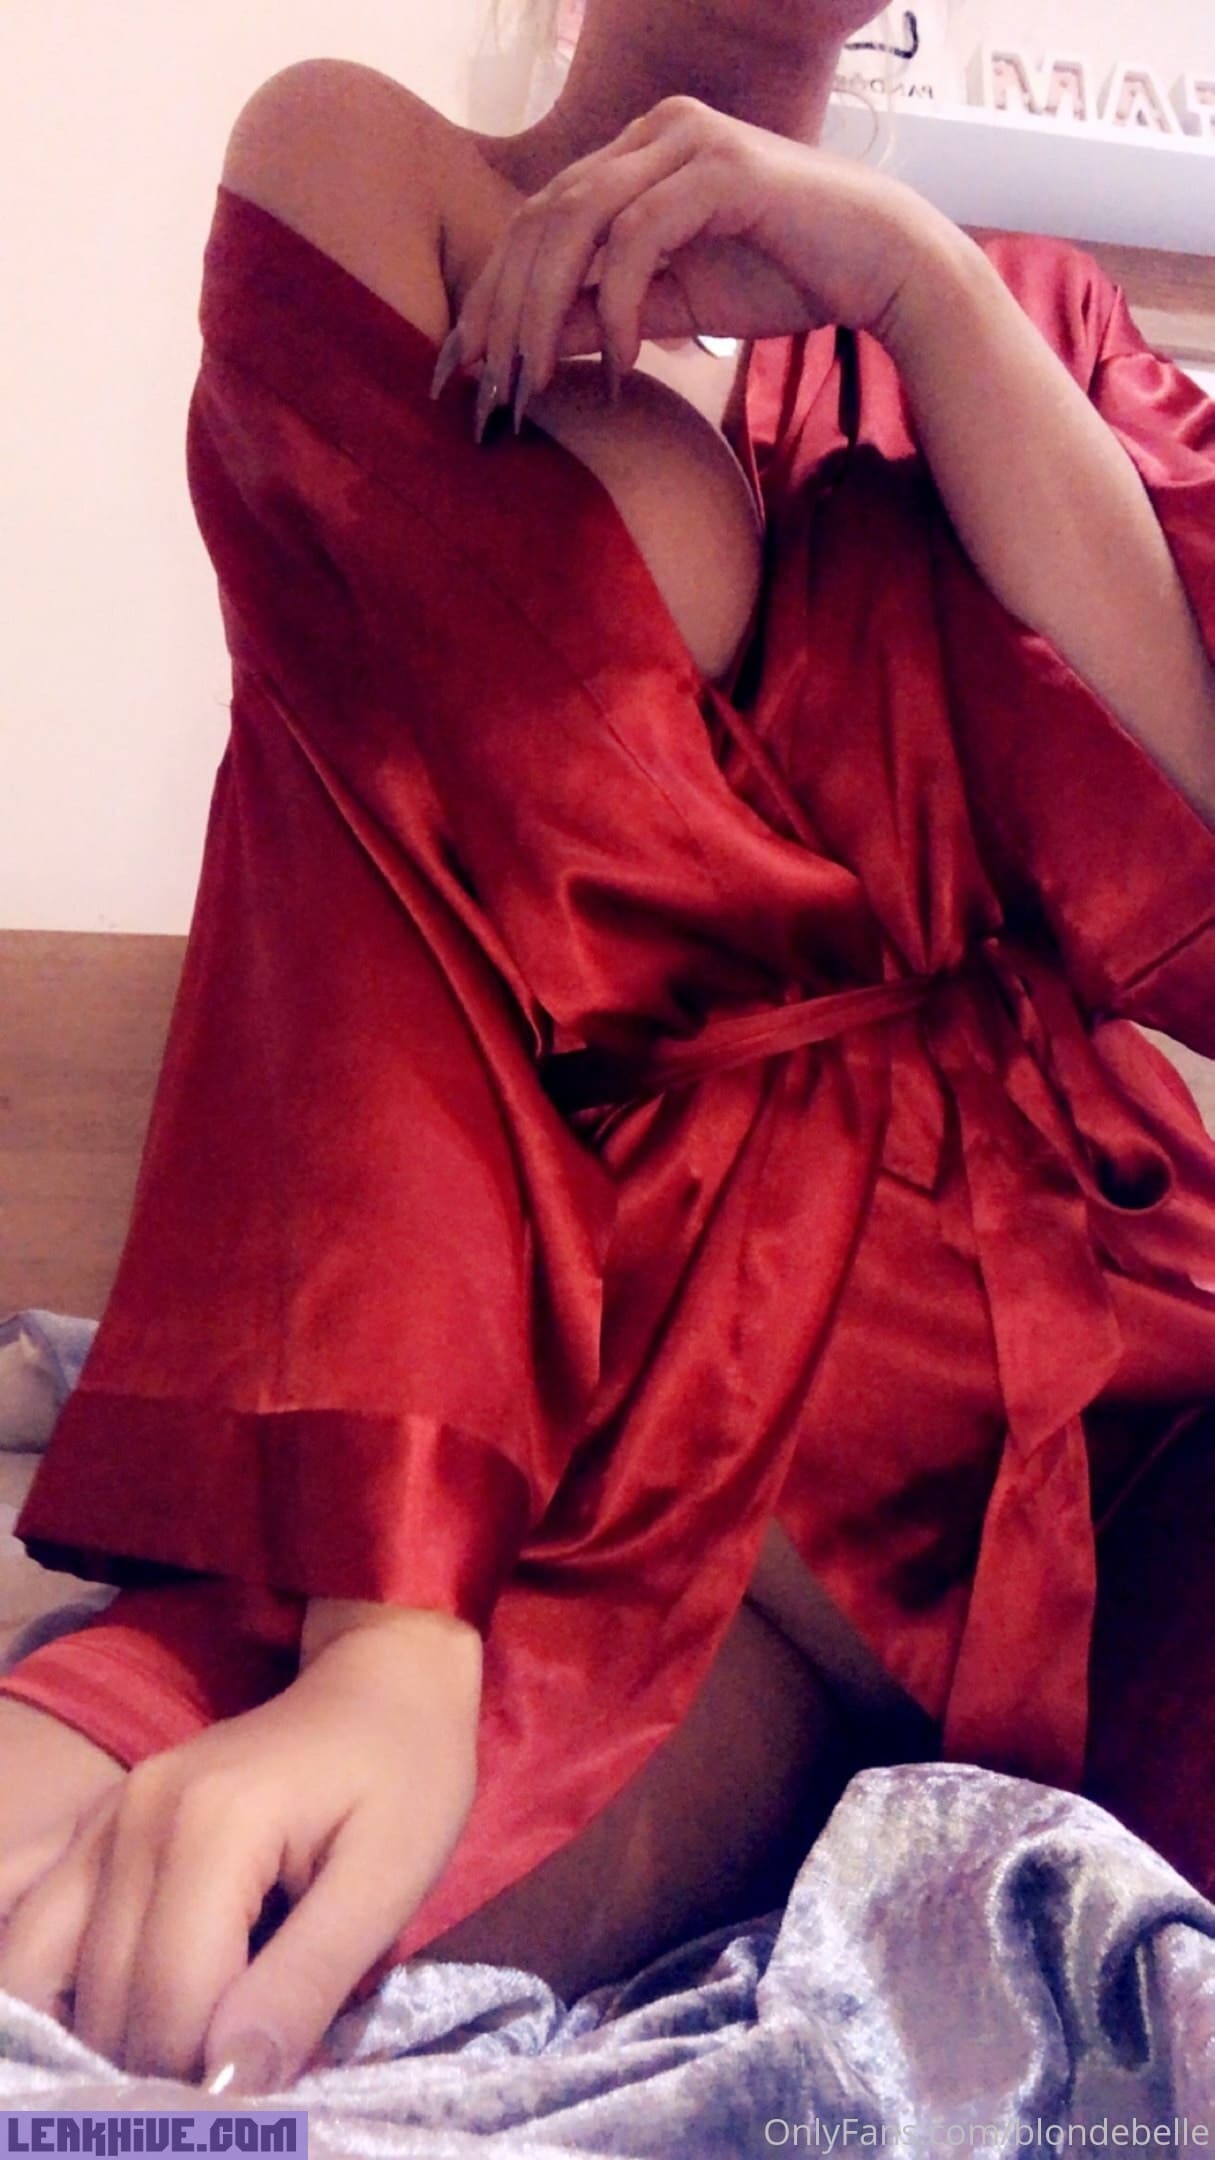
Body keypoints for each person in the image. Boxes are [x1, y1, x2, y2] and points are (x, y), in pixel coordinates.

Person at [2, 0, 1215, 2100]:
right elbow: (367, 908)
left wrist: (921, 293)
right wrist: (390, 1627)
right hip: (601, 1395)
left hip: (1103, 1406)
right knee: (107, 1916)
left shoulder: (1031, 318)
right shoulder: (381, 184)